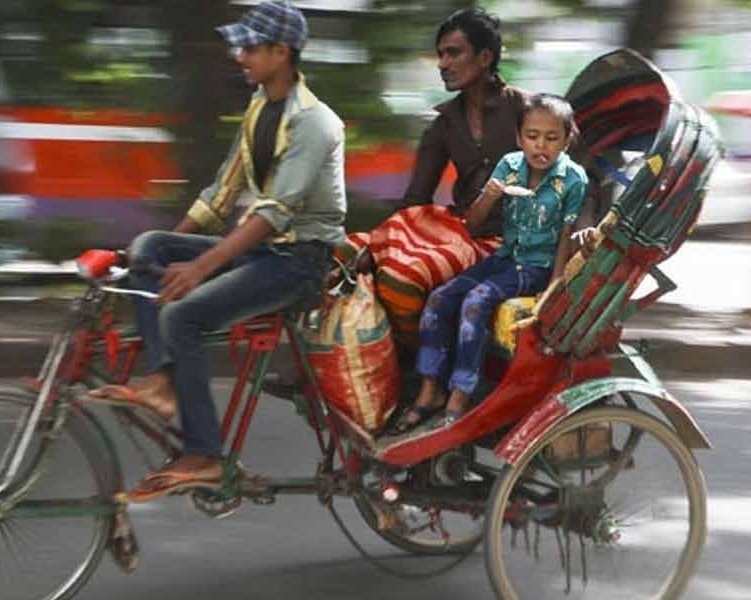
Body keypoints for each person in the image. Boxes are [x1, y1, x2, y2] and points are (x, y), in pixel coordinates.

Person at [86, 0, 346, 500]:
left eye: (250, 47)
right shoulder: (259, 109)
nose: (239, 55)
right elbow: (221, 195)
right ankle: (163, 382)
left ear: (281, 51)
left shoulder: (315, 123)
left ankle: (204, 455)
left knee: (184, 315)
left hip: (300, 262)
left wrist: (202, 267)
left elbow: (274, 213)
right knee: (148, 247)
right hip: (262, 252)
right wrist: (170, 251)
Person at [389, 93, 588, 434]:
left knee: (475, 302)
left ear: (567, 140)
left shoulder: (573, 179)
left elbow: (566, 239)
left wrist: (554, 286)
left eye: (552, 138)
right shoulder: (510, 165)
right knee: (439, 298)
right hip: (504, 257)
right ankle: (429, 390)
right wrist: (490, 194)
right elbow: (474, 223)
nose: (540, 146)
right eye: (532, 136)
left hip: (536, 268)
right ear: (519, 137)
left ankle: (460, 396)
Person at [346, 7, 530, 348]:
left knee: (407, 274)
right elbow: (415, 201)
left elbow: (574, 177)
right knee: (347, 250)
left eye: (454, 53)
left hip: (511, 242)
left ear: (485, 57)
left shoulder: (526, 111)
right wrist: (378, 244)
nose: (443, 64)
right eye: (440, 54)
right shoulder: (443, 125)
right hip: (462, 231)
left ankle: (416, 362)